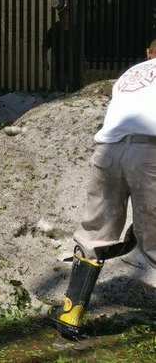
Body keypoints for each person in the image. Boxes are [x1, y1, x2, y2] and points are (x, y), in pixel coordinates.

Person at [52, 54, 156, 339]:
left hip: (108, 151)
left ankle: (70, 315)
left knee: (95, 232)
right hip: (150, 150)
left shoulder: (132, 73)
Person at [43, 8, 71, 91]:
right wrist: (45, 61)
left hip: (72, 64)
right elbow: (45, 45)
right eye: (63, 16)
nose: (66, 18)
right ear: (60, 17)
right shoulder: (55, 29)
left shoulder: (74, 28)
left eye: (67, 16)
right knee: (59, 89)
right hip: (59, 64)